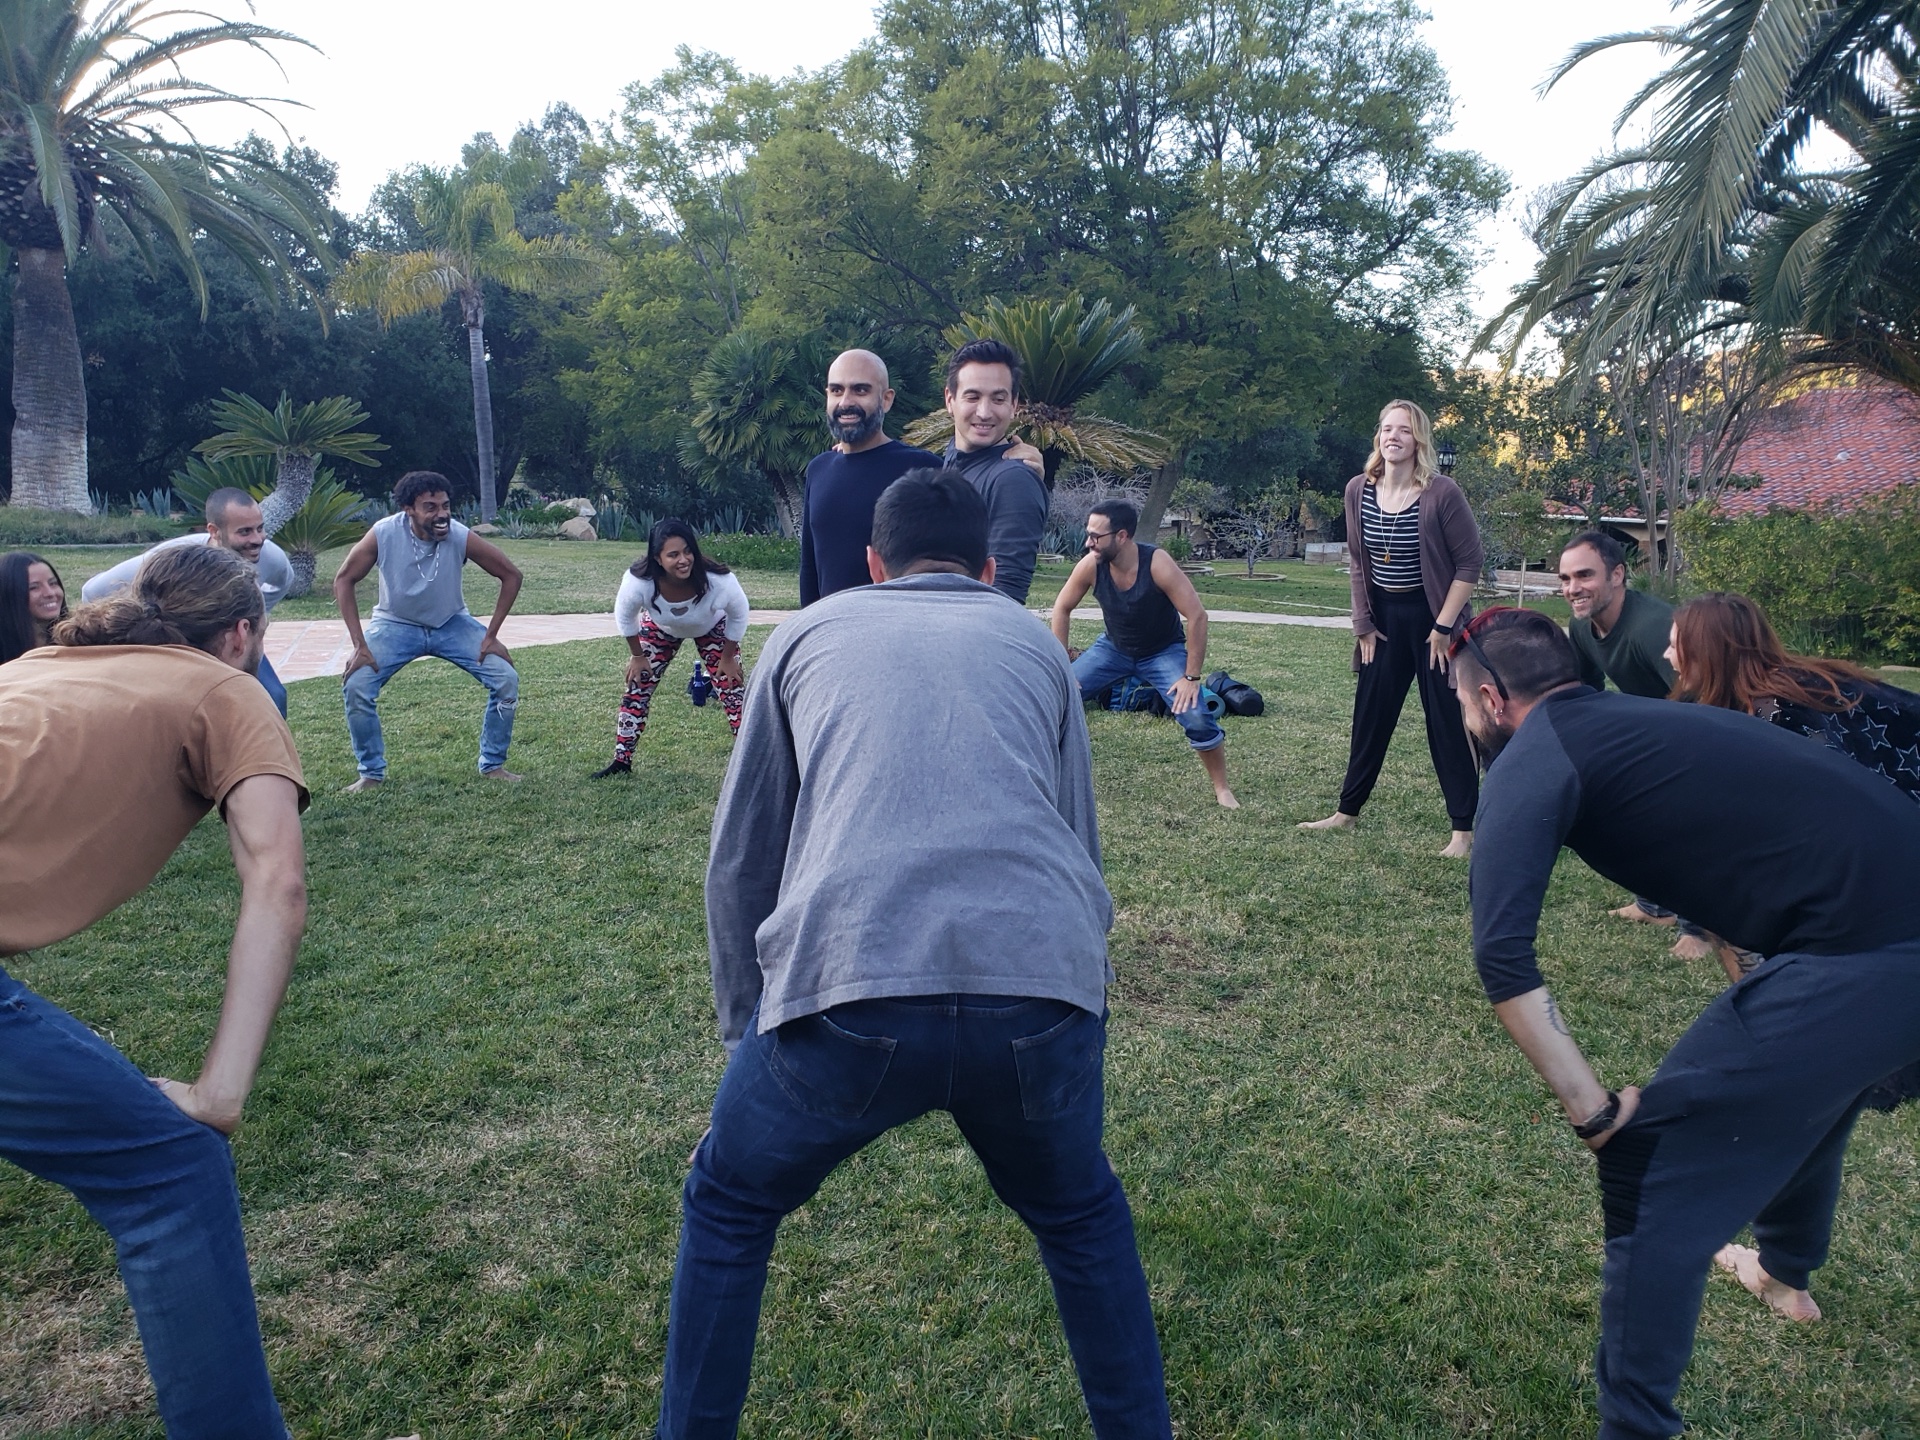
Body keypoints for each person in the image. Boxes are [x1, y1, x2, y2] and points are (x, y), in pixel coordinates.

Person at [667, 467, 1172, 1439]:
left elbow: (740, 860)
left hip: (847, 996)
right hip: (1040, 993)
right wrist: (1083, 1003)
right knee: (1080, 1216)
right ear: (989, 568)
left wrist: (746, 1032)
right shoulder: (1032, 643)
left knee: (729, 1202)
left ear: (870, 563)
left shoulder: (810, 633)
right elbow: (1081, 846)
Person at [1452, 605, 1920, 1440]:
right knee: (1811, 1088)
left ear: (1492, 698)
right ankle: (1784, 1275)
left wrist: (1598, 1118)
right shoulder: (1639, 724)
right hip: (1882, 939)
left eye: (1460, 705)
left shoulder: (1536, 752)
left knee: (1651, 1174)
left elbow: (1503, 957)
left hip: (1876, 953)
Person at [1, 543, 308, 1437]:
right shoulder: (225, 687)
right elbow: (276, 883)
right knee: (171, 1168)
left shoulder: (34, 666)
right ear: (242, 632)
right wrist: (219, 1091)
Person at [1300, 398, 1481, 856]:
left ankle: (1464, 831)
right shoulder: (1358, 489)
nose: (1392, 437)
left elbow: (1469, 565)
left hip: (1434, 621)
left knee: (1446, 722)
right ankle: (1346, 811)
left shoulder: (1441, 492)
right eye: (1385, 429)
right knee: (1370, 716)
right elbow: (1359, 562)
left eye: (1402, 429)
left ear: (1418, 439)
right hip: (1383, 621)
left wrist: (1443, 628)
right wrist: (1362, 622)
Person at [1558, 531, 1707, 954]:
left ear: (1618, 574)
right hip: (1660, 731)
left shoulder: (1652, 628)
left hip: (1703, 730)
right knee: (1630, 813)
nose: (1572, 589)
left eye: (1584, 576)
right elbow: (1583, 691)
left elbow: (1704, 703)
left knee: (1687, 822)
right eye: (1566, 579)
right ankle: (1655, 905)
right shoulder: (1582, 626)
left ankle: (1700, 927)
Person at [333, 470, 524, 792]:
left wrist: (490, 636)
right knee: (357, 685)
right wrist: (359, 644)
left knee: (505, 679)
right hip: (395, 625)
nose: (442, 514)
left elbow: (511, 575)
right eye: (431, 507)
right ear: (409, 509)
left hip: (451, 623)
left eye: (446, 506)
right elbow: (344, 579)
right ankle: (371, 773)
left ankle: (493, 765)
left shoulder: (459, 536)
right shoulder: (383, 533)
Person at [1050, 498, 1239, 808]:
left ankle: (1222, 789)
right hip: (1113, 649)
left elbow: (1197, 616)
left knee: (1195, 714)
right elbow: (1062, 607)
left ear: (1122, 536)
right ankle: (1047, 779)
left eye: (1096, 536)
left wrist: (1191, 677)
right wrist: (1061, 669)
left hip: (1162, 652)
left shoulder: (1157, 563)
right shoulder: (1091, 565)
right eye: (1088, 534)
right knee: (1054, 696)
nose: (1088, 543)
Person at [79, 488, 296, 714]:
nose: (256, 539)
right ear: (214, 531)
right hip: (182, 640)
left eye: (260, 529)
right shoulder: (177, 557)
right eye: (244, 532)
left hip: (233, 640)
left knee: (273, 696)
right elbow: (93, 590)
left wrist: (252, 618)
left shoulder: (270, 556)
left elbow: (282, 582)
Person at [592, 519, 750, 778]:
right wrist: (637, 656)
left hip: (712, 626)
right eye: (673, 554)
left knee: (733, 693)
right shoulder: (639, 581)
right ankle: (621, 762)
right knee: (637, 687)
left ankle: (750, 764)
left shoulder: (717, 580)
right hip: (660, 628)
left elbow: (739, 613)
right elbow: (624, 617)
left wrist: (728, 656)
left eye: (688, 551)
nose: (683, 560)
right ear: (657, 558)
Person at [797, 348, 935, 606]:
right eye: (837, 390)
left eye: (860, 390)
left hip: (898, 632)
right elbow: (810, 568)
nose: (846, 402)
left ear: (886, 399)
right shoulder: (819, 469)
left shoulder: (923, 469)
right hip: (831, 630)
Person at [941, 337, 1050, 605]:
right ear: (950, 399)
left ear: (1014, 405)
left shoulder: (1013, 479)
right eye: (973, 396)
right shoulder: (949, 462)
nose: (984, 412)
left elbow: (1005, 595)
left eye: (998, 398)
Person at [0, 550, 67, 664]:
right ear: (9, 595)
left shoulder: (75, 641)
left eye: (53, 583)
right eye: (34, 587)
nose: (49, 593)